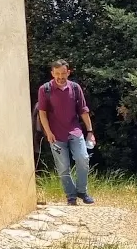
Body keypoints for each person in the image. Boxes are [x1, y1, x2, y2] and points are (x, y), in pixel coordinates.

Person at [37, 59, 96, 205]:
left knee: (83, 159)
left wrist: (90, 131)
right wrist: (48, 132)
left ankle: (82, 191)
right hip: (55, 135)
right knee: (63, 167)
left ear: (68, 72)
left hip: (75, 131)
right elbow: (42, 113)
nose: (60, 76)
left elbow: (83, 110)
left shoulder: (75, 88)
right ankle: (71, 196)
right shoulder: (45, 89)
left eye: (63, 73)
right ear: (52, 73)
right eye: (57, 73)